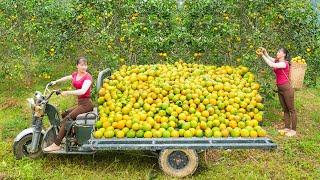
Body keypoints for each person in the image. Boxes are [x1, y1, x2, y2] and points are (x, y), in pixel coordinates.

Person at [43, 57, 94, 152]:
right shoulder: (76, 74)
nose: (84, 67)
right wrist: (56, 81)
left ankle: (56, 144)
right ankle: (70, 136)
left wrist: (68, 92)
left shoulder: (88, 77)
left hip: (86, 104)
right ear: (77, 66)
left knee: (67, 119)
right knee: (64, 114)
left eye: (85, 65)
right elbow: (67, 77)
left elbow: (83, 91)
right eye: (82, 65)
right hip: (80, 104)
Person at [257, 47, 297, 137]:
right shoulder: (278, 61)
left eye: (279, 52)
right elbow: (270, 59)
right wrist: (265, 52)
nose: (277, 53)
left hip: (287, 88)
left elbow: (271, 64)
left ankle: (293, 130)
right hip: (281, 89)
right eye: (277, 51)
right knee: (285, 109)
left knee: (291, 109)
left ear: (284, 54)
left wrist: (262, 55)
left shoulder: (284, 64)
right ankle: (287, 127)